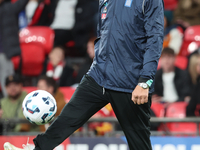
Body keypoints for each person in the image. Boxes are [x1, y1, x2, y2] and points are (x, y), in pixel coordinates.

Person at [4, 0, 164, 150]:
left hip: (129, 82)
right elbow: (103, 32)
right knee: (68, 117)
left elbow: (155, 40)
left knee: (139, 143)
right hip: (98, 75)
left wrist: (145, 81)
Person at [0, 0, 29, 97]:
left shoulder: (9, 7)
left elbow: (22, 3)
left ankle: (9, 103)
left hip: (5, 52)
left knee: (8, 79)